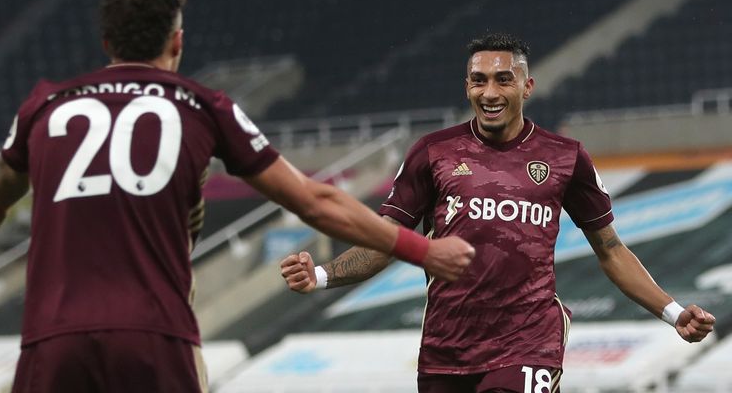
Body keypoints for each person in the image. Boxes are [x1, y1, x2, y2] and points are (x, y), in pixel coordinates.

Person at [0, 0, 476, 393]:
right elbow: (316, 201)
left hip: (53, 342)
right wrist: (424, 251)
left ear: (106, 41)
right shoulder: (205, 108)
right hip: (155, 339)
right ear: (178, 40)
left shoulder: (44, 105)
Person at [280, 33, 717, 393]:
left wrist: (674, 312)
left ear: (527, 86)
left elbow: (611, 249)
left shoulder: (566, 158)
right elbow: (385, 239)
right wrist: (319, 276)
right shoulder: (433, 154)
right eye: (478, 80)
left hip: (529, 342)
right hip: (445, 350)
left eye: (503, 80)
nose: (489, 93)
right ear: (466, 85)